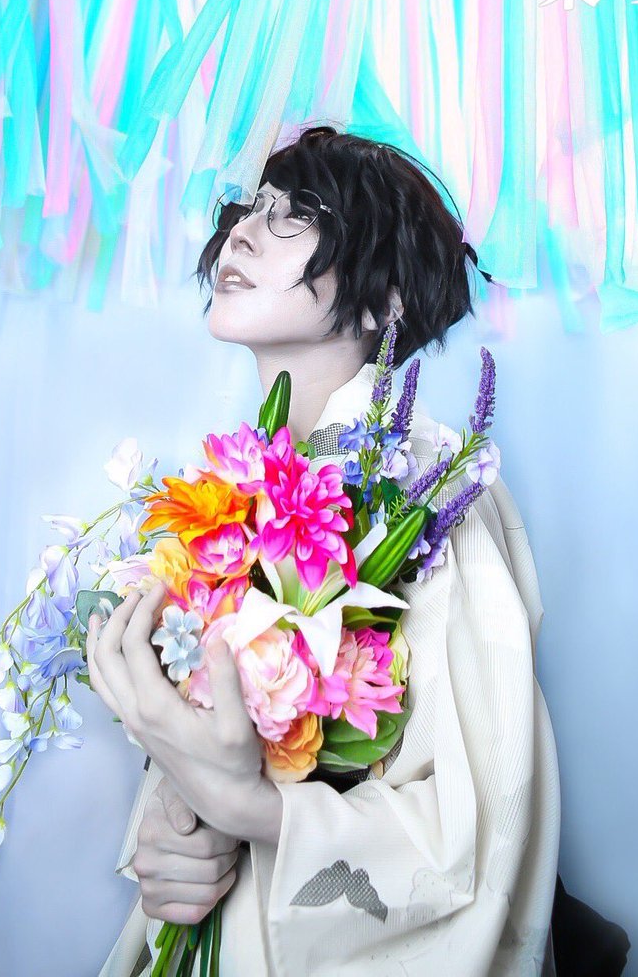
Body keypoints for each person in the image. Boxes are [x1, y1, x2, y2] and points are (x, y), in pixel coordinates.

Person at [91, 125, 561, 976]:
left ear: (386, 303)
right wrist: (172, 829)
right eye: (250, 207)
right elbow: (213, 762)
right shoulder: (233, 491)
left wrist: (249, 809)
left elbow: (480, 814)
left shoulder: (427, 491)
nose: (242, 233)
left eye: (297, 212)